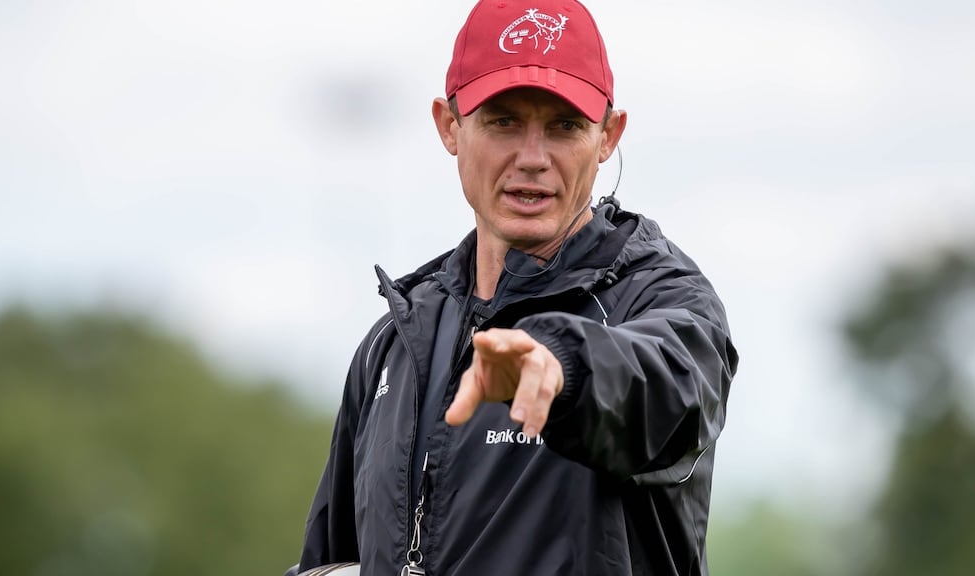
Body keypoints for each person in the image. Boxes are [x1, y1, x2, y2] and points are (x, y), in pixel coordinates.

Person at [289, 1, 738, 574]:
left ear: (608, 135)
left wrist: (567, 366)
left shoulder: (663, 298)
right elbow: (331, 559)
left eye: (564, 126)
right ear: (449, 126)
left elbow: (668, 391)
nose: (533, 158)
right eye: (503, 121)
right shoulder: (394, 344)